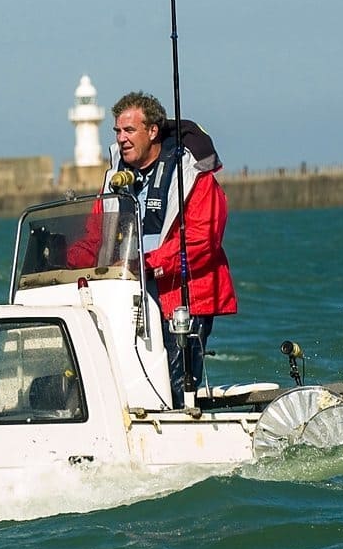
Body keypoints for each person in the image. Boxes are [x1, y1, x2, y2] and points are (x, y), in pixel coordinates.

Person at [67, 91, 236, 408]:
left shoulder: (192, 176)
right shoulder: (115, 178)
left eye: (129, 130)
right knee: (120, 379)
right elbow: (96, 236)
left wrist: (146, 264)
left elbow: (201, 241)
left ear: (153, 131)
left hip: (182, 296)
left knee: (175, 386)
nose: (122, 138)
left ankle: (182, 426)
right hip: (128, 295)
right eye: (117, 131)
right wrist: (67, 259)